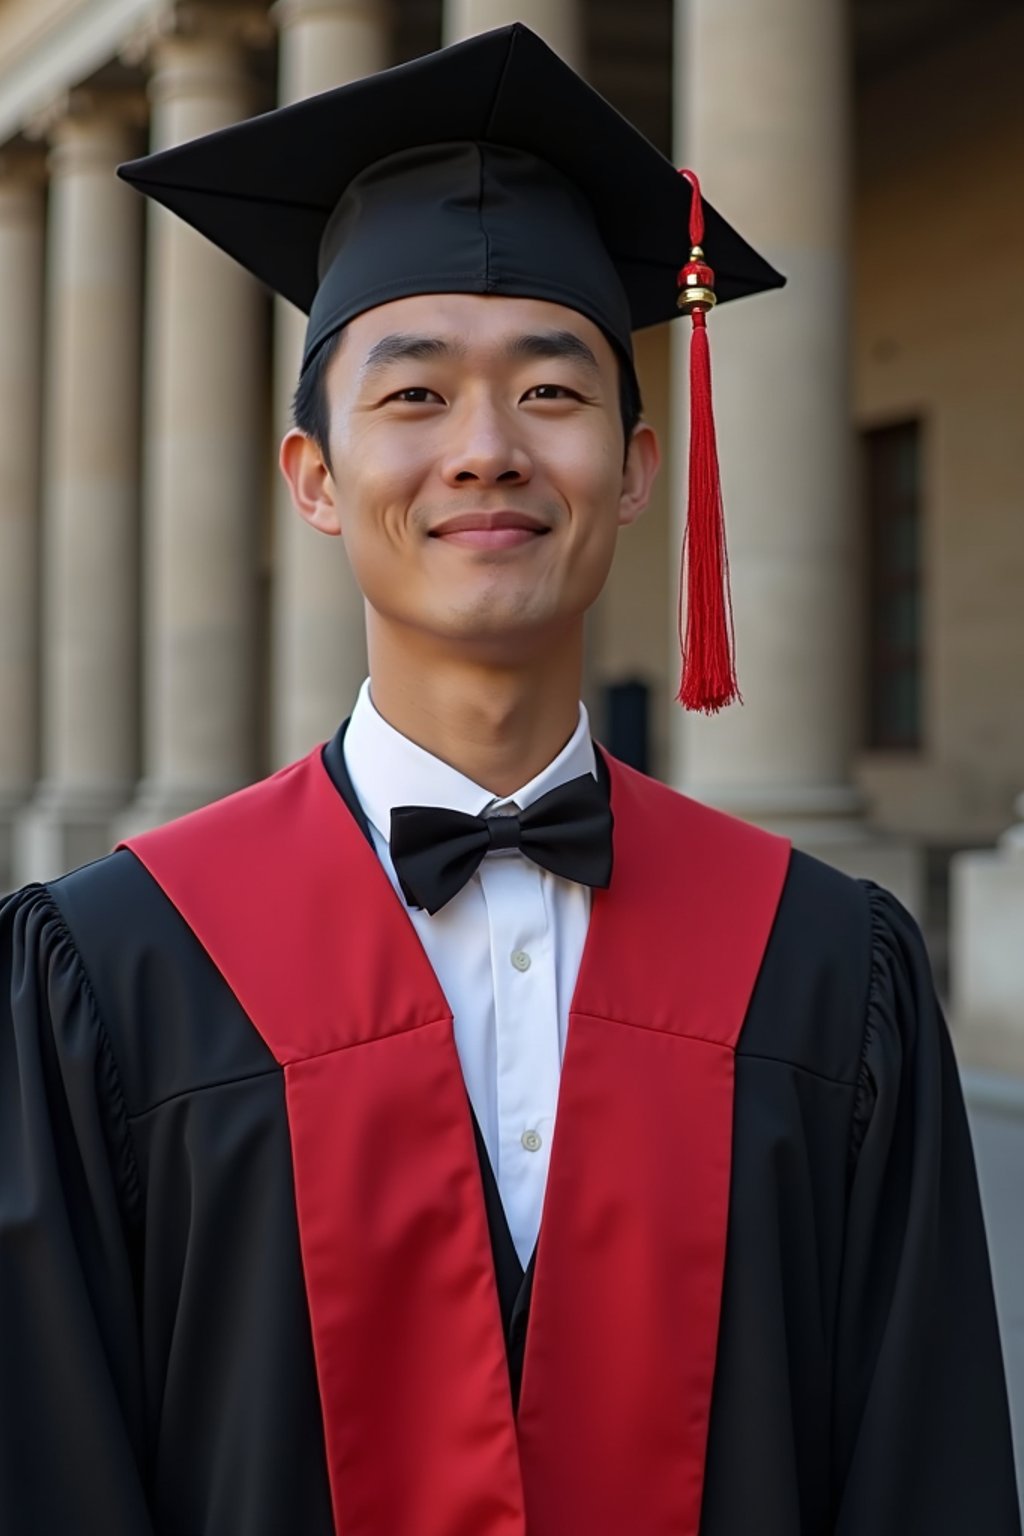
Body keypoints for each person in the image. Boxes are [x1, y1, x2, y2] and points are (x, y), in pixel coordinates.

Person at [1, 23, 1019, 1536]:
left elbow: (922, 1471)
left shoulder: (823, 970)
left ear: (637, 460)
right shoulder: (116, 968)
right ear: (318, 480)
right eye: (413, 396)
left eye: (551, 391)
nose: (486, 450)